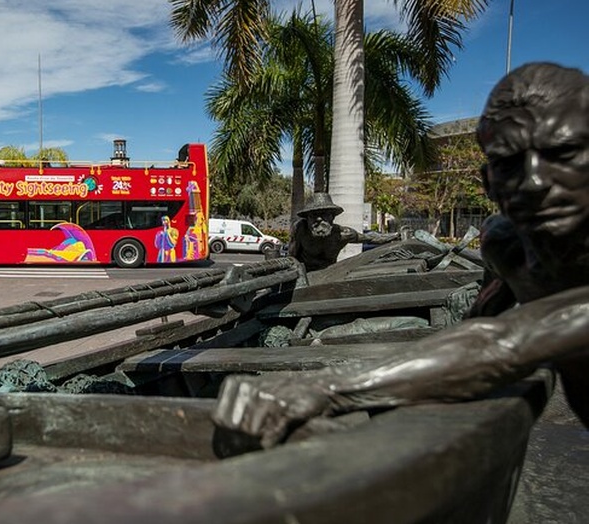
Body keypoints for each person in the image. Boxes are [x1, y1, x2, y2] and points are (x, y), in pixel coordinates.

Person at [212, 62, 589, 447]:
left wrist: (328, 385)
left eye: (564, 152)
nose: (536, 182)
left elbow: (502, 344)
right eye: (508, 163)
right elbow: (474, 332)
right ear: (489, 182)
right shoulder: (506, 245)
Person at [287, 193, 399, 271]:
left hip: (329, 274)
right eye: (314, 215)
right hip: (304, 275)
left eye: (324, 214)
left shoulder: (342, 234)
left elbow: (370, 238)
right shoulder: (301, 230)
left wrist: (394, 236)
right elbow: (291, 256)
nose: (319, 219)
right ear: (307, 219)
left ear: (332, 217)